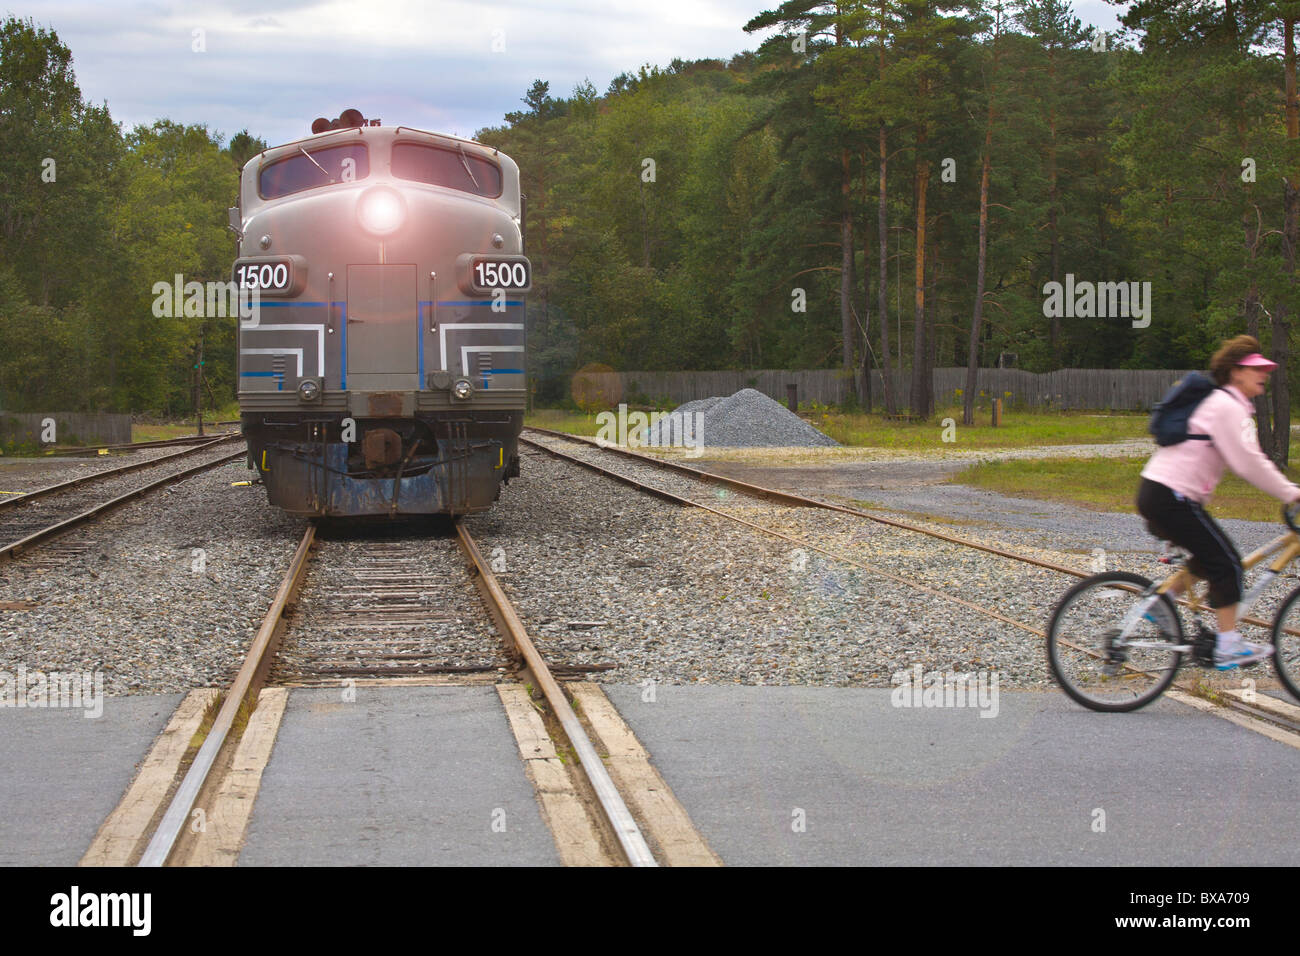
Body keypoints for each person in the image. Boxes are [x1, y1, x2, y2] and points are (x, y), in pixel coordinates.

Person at [1137, 334, 1300, 668]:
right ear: (1235, 372)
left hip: (1161, 493)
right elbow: (1248, 463)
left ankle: (1162, 601)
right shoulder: (1227, 406)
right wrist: (1293, 493)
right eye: (1255, 368)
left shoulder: (1224, 404)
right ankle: (1227, 645)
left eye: (1265, 369)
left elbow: (1248, 459)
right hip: (1171, 496)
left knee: (1210, 556)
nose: (1264, 374)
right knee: (1227, 562)